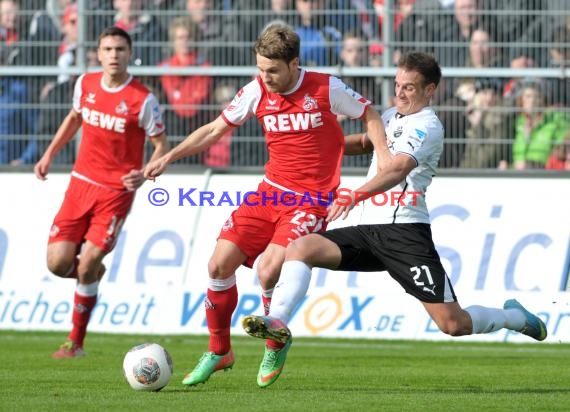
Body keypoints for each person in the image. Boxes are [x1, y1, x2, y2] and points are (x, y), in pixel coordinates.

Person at [242, 51, 548, 387]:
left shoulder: (429, 125)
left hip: (405, 234)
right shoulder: (389, 116)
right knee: (301, 248)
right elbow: (363, 142)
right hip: (369, 231)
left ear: (430, 90)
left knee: (453, 324)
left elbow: (399, 167)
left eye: (410, 88)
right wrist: (312, 146)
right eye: (397, 85)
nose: (400, 93)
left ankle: (514, 317)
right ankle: (279, 326)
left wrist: (355, 194)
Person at [142, 22, 384, 387]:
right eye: (260, 69)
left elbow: (369, 113)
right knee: (218, 264)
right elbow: (214, 130)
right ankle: (220, 350)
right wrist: (170, 156)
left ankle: (275, 341)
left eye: (272, 70)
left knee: (269, 271)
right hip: (268, 193)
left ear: (294, 64)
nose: (265, 77)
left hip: (311, 200)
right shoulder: (255, 91)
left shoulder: (326, 87)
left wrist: (382, 154)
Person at [33, 26, 169, 358]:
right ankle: (90, 275)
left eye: (120, 50)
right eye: (107, 49)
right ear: (98, 53)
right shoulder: (86, 84)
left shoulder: (142, 99)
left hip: (114, 193)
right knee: (56, 263)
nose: (113, 55)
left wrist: (144, 172)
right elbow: (74, 118)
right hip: (80, 183)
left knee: (88, 262)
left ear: (129, 54)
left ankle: (74, 343)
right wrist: (49, 154)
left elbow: (161, 144)